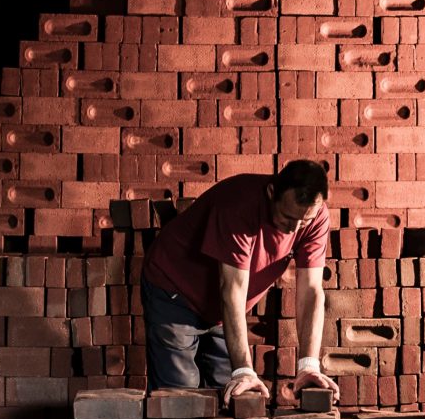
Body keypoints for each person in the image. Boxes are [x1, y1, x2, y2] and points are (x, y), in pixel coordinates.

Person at [141, 159, 341, 405]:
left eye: (304, 221)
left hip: (220, 309)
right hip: (176, 289)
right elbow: (232, 290)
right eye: (288, 218)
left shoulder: (315, 217)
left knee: (230, 397)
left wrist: (309, 365)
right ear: (271, 194)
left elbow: (311, 291)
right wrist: (244, 369)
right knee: (180, 400)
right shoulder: (239, 205)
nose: (295, 228)